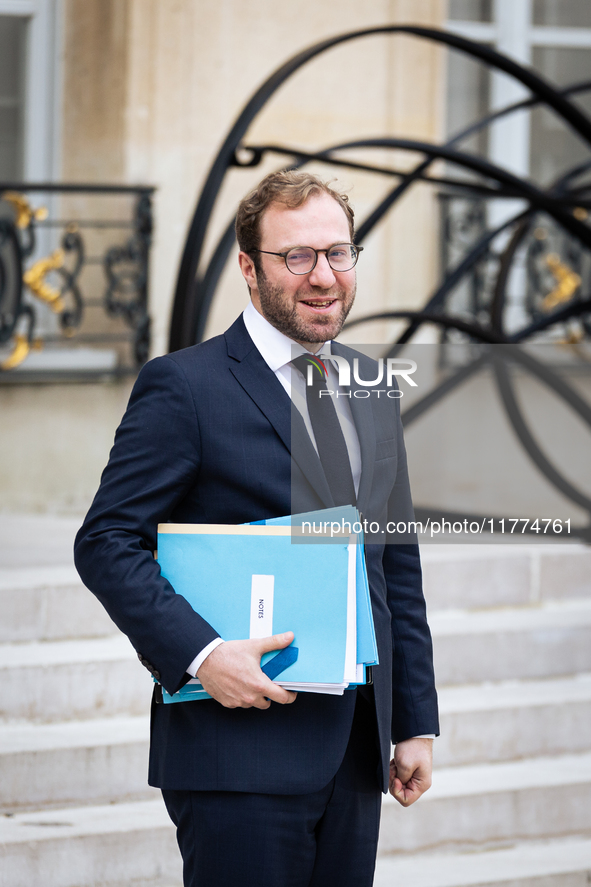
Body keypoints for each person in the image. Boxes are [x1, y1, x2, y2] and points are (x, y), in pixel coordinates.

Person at [74, 170, 439, 887]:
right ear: (248, 267)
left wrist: (413, 718)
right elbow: (106, 541)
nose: (323, 276)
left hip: (353, 752)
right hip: (234, 751)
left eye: (338, 253)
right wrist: (201, 653)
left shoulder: (371, 383)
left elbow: (392, 559)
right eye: (295, 256)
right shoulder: (183, 385)